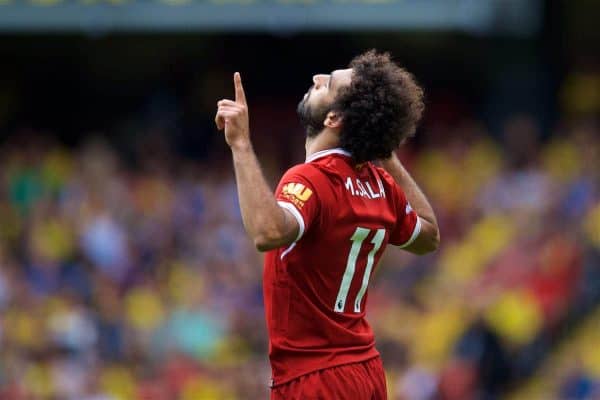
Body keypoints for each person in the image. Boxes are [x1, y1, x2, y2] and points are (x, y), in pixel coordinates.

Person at [215, 50, 440, 400]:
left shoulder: (312, 179)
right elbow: (428, 235)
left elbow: (268, 232)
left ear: (334, 118)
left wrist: (241, 145)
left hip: (315, 378)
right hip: (365, 374)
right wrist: (386, 154)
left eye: (329, 83)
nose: (318, 78)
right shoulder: (381, 184)